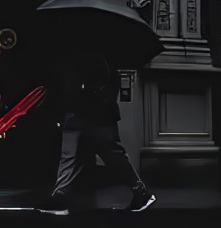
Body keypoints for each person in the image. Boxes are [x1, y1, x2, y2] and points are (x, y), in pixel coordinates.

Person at [41, 46, 154, 215]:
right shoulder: (84, 57)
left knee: (111, 155)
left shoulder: (98, 57)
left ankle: (140, 191)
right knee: (71, 156)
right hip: (78, 113)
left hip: (96, 115)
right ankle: (60, 195)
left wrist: (85, 98)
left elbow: (105, 87)